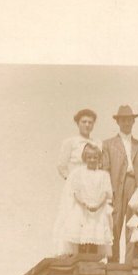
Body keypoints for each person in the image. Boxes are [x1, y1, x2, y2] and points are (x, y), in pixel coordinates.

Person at [49, 108, 101, 256]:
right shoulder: (70, 142)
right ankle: (72, 252)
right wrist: (70, 180)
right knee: (74, 215)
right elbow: (61, 165)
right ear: (78, 123)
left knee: (91, 215)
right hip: (76, 182)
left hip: (92, 181)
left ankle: (90, 252)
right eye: (84, 122)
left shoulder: (97, 142)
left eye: (90, 122)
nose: (87, 125)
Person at [101, 105, 138, 262]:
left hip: (135, 185)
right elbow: (105, 170)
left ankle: (130, 265)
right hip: (116, 186)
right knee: (114, 224)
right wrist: (109, 193)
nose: (126, 123)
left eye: (129, 120)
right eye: (123, 120)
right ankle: (114, 263)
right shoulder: (108, 144)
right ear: (118, 122)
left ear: (133, 121)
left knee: (134, 225)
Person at [64, 144, 113, 256]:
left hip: (98, 210)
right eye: (89, 157)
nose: (92, 160)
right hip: (82, 209)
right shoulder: (79, 173)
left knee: (95, 235)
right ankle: (81, 262)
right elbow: (76, 192)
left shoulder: (103, 175)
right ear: (85, 158)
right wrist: (84, 204)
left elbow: (106, 193)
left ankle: (92, 263)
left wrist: (98, 205)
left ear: (99, 159)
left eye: (95, 157)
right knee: (81, 236)